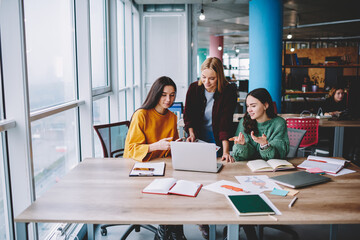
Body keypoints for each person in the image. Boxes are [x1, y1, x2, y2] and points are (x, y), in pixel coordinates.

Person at [124, 76, 186, 240]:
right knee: (167, 192)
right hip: (140, 168)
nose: (168, 99)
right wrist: (155, 146)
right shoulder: (141, 115)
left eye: (172, 95)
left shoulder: (172, 117)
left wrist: (178, 146)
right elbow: (131, 149)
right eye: (164, 94)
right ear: (156, 94)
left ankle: (173, 231)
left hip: (162, 168)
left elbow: (171, 147)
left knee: (178, 188)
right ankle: (168, 230)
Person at [183, 57, 237, 162]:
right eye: (203, 77)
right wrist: (191, 133)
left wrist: (226, 152)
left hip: (217, 138)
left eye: (212, 78)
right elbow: (188, 115)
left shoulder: (228, 91)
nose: (206, 82)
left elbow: (225, 122)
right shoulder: (194, 88)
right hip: (197, 136)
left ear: (219, 77)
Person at [232, 88, 289, 161]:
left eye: (253, 106)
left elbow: (280, 153)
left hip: (271, 169)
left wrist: (264, 145)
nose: (249, 110)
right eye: (247, 106)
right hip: (247, 167)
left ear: (265, 105)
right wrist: (241, 145)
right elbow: (240, 156)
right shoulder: (244, 121)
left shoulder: (279, 123)